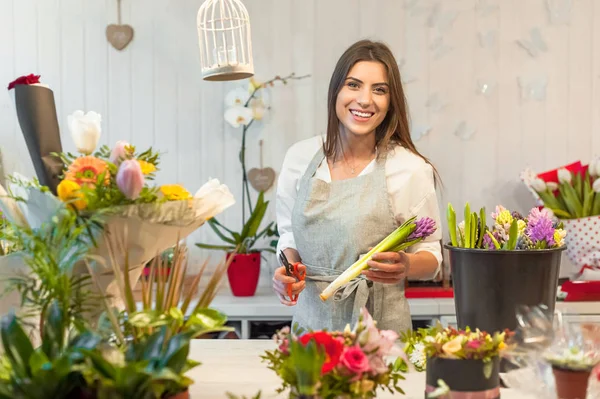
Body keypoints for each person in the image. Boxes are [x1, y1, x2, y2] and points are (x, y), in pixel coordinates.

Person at [273, 39, 443, 334]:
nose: (365, 100)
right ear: (336, 91)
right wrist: (287, 272)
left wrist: (406, 265)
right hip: (311, 332)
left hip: (380, 334)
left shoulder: (410, 169)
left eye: (379, 90)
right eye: (354, 85)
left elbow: (431, 256)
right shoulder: (299, 158)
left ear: (391, 102)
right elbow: (289, 236)